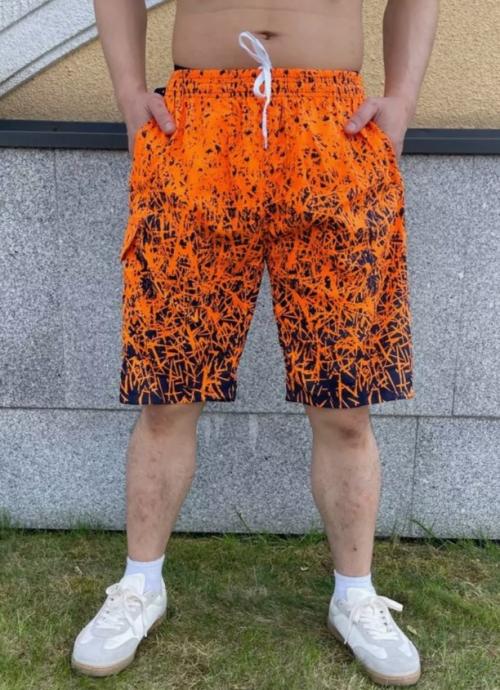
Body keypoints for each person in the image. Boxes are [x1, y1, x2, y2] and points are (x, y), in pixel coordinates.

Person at [71, 0, 438, 684]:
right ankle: (139, 585)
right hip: (197, 120)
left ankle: (355, 595)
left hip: (333, 124)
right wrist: (128, 91)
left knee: (344, 400)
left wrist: (403, 101)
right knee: (168, 392)